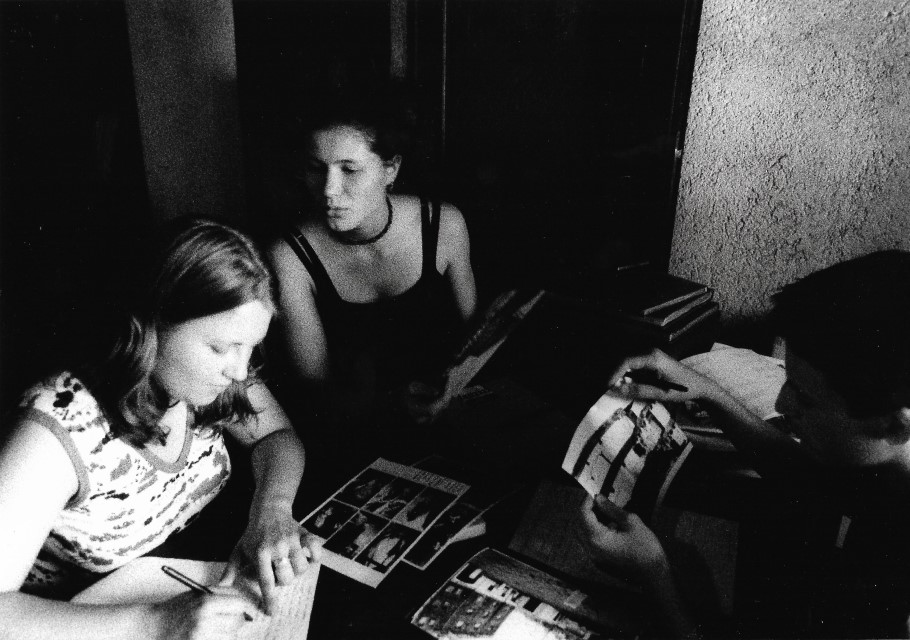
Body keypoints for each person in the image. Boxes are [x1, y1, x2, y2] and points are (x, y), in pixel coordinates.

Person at [0, 217, 321, 640]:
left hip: (169, 582)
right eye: (220, 348)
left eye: (250, 347)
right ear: (154, 324)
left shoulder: (210, 379)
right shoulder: (55, 427)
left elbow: (277, 437)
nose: (241, 372)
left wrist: (272, 511)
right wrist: (154, 623)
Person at [580, 250, 910, 638]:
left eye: (805, 398)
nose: (782, 404)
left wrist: (654, 573)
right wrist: (706, 391)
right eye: (788, 381)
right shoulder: (888, 462)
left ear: (895, 424)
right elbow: (815, 477)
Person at [267, 85, 478, 438]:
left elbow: (475, 344)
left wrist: (452, 392)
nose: (329, 190)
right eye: (316, 168)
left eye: (349, 170)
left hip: (452, 418)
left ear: (390, 169)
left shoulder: (444, 225)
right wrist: (393, 405)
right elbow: (314, 391)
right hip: (354, 433)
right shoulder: (290, 256)